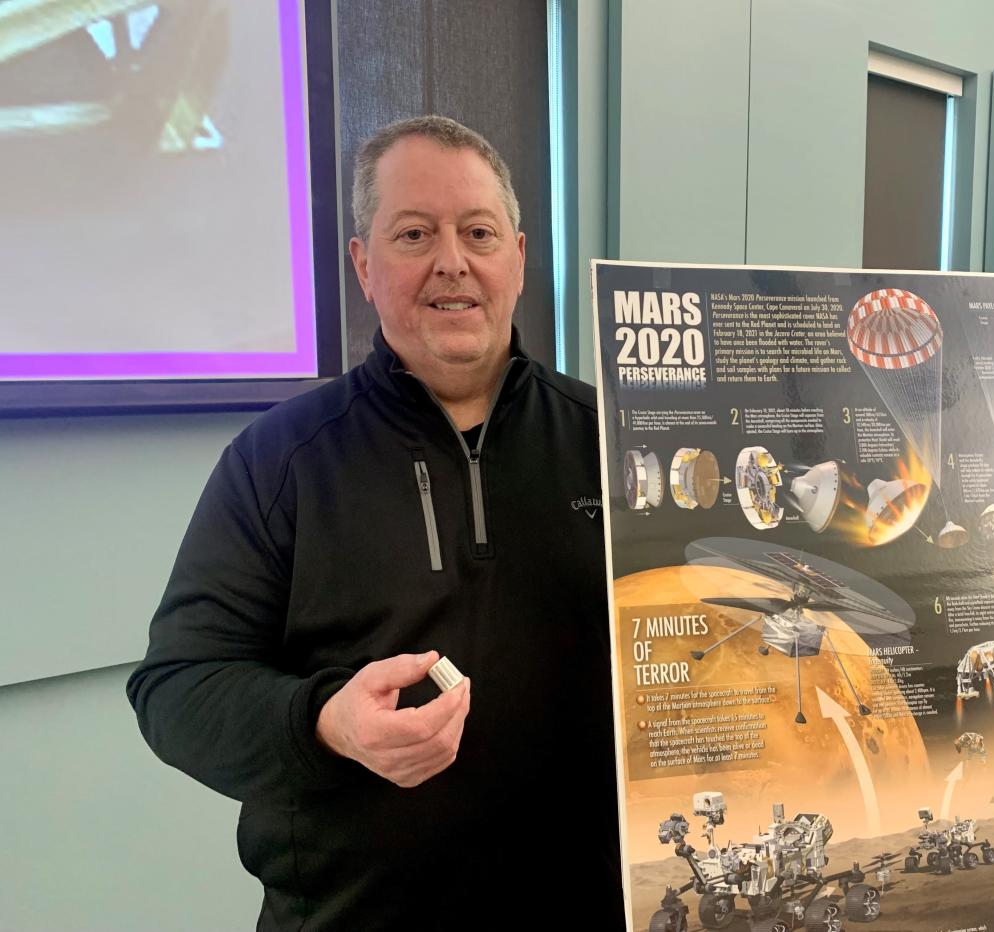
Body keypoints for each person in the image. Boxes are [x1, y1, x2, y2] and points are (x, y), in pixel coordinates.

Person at [128, 116, 624, 930]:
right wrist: (326, 724)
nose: (452, 262)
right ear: (364, 264)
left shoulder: (617, 445)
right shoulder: (279, 460)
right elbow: (175, 689)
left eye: (478, 232)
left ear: (521, 258)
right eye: (414, 234)